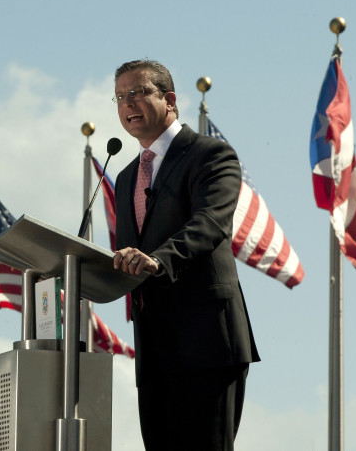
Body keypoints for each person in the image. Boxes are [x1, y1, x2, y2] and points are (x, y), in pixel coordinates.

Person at [111, 59, 260, 451]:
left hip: (207, 344)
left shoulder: (211, 155)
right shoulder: (126, 176)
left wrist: (158, 260)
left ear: (170, 100)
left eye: (139, 92)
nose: (128, 103)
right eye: (120, 97)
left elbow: (210, 224)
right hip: (154, 353)